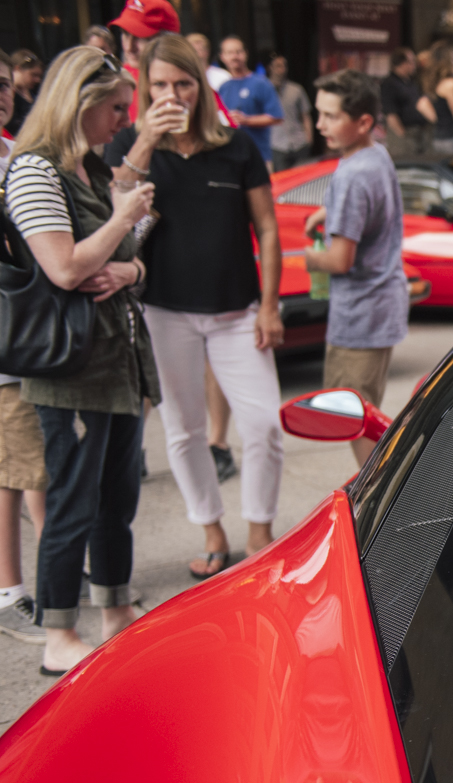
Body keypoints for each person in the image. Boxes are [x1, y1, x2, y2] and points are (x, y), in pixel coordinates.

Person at [104, 33, 285, 581]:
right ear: (144, 87)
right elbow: (117, 226)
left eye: (183, 83)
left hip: (236, 309)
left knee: (263, 425)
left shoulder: (235, 146)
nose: (172, 94)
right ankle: (211, 528)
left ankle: (259, 529)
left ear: (200, 84)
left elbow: (269, 229)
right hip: (165, 310)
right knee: (182, 429)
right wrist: (142, 146)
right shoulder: (129, 148)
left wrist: (270, 305)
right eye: (160, 84)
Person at [4, 46, 159, 674]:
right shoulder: (35, 171)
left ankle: (115, 608)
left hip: (118, 361)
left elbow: (123, 263)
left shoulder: (90, 170)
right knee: (72, 500)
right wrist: (123, 216)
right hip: (71, 367)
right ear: (80, 103)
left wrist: (133, 261)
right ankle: (59, 632)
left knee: (117, 496)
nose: (122, 120)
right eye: (115, 108)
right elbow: (65, 267)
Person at [302, 69, 407, 465]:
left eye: (331, 116)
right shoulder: (376, 154)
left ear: (363, 122)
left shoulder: (351, 175)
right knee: (368, 413)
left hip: (360, 315)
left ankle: (380, 504)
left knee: (356, 421)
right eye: (319, 113)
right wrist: (331, 212)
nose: (320, 125)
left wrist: (307, 258)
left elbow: (339, 260)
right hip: (382, 306)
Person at [0, 50, 47, 645]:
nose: (1, 93)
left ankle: (55, 564)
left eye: (5, 84)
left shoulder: (15, 152)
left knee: (33, 459)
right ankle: (10, 589)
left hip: (24, 331)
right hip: (6, 341)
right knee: (11, 468)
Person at [217, 36, 283, 171]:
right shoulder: (223, 87)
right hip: (230, 157)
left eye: (238, 52)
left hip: (259, 156)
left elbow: (277, 117)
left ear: (245, 54)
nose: (234, 57)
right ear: (222, 57)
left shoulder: (261, 83)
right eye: (229, 53)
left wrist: (246, 120)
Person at [381, 47, 432, 156]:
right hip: (404, 135)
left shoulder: (410, 82)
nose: (414, 65)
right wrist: (402, 135)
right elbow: (390, 114)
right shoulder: (389, 84)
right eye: (412, 61)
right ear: (403, 63)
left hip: (419, 133)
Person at [268, 54, 311, 172]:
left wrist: (309, 139)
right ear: (270, 68)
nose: (282, 69)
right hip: (277, 145)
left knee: (304, 179)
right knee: (283, 182)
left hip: (299, 142)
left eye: (284, 66)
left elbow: (305, 115)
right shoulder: (264, 90)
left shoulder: (296, 89)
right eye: (278, 66)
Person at [6, 50, 41, 133]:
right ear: (17, 69)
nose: (37, 80)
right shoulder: (8, 96)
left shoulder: (34, 93)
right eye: (33, 75)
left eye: (39, 76)